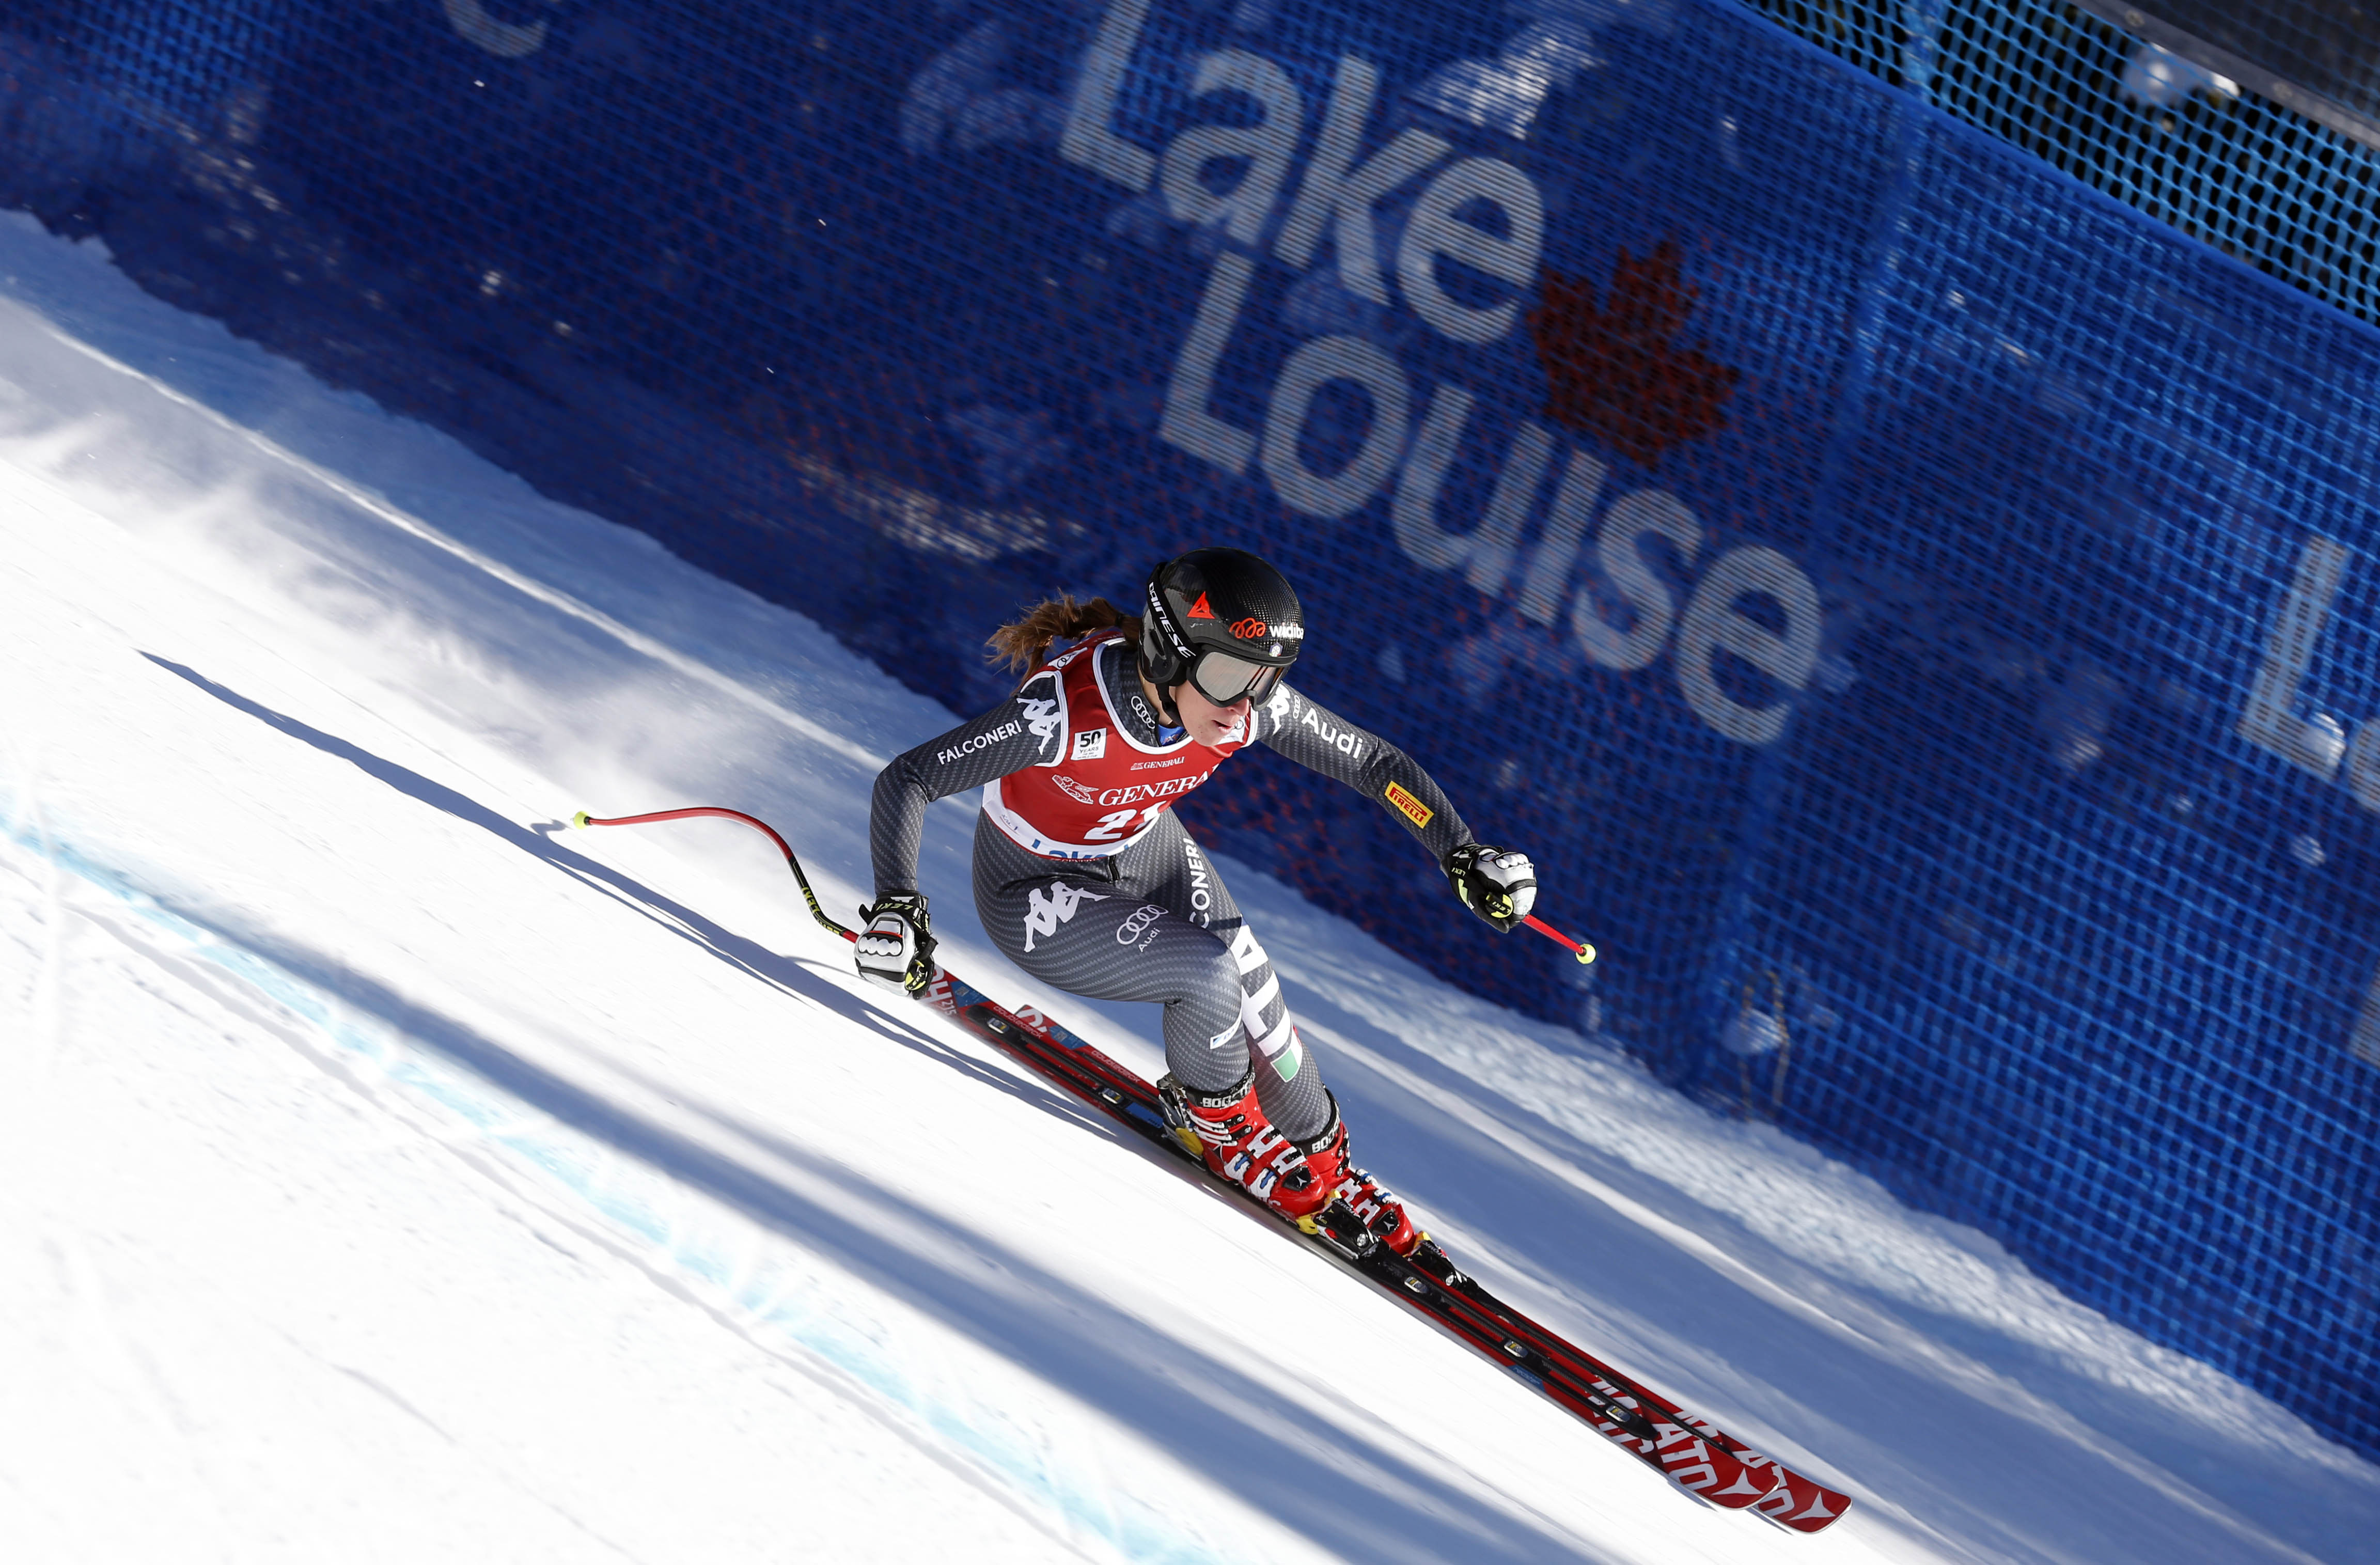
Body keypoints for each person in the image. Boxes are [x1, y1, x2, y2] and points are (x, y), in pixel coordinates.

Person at [856, 547, 1540, 1255]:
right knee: (1208, 974)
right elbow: (911, 778)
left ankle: (1323, 1159)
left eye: (1265, 680)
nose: (1246, 705)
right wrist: (898, 904)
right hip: (1030, 887)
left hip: (1139, 847)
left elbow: (1372, 763)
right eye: (1226, 678)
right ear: (1166, 653)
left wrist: (1460, 849)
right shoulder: (1063, 712)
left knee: (1256, 992)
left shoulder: (1240, 700)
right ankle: (1218, 1126)